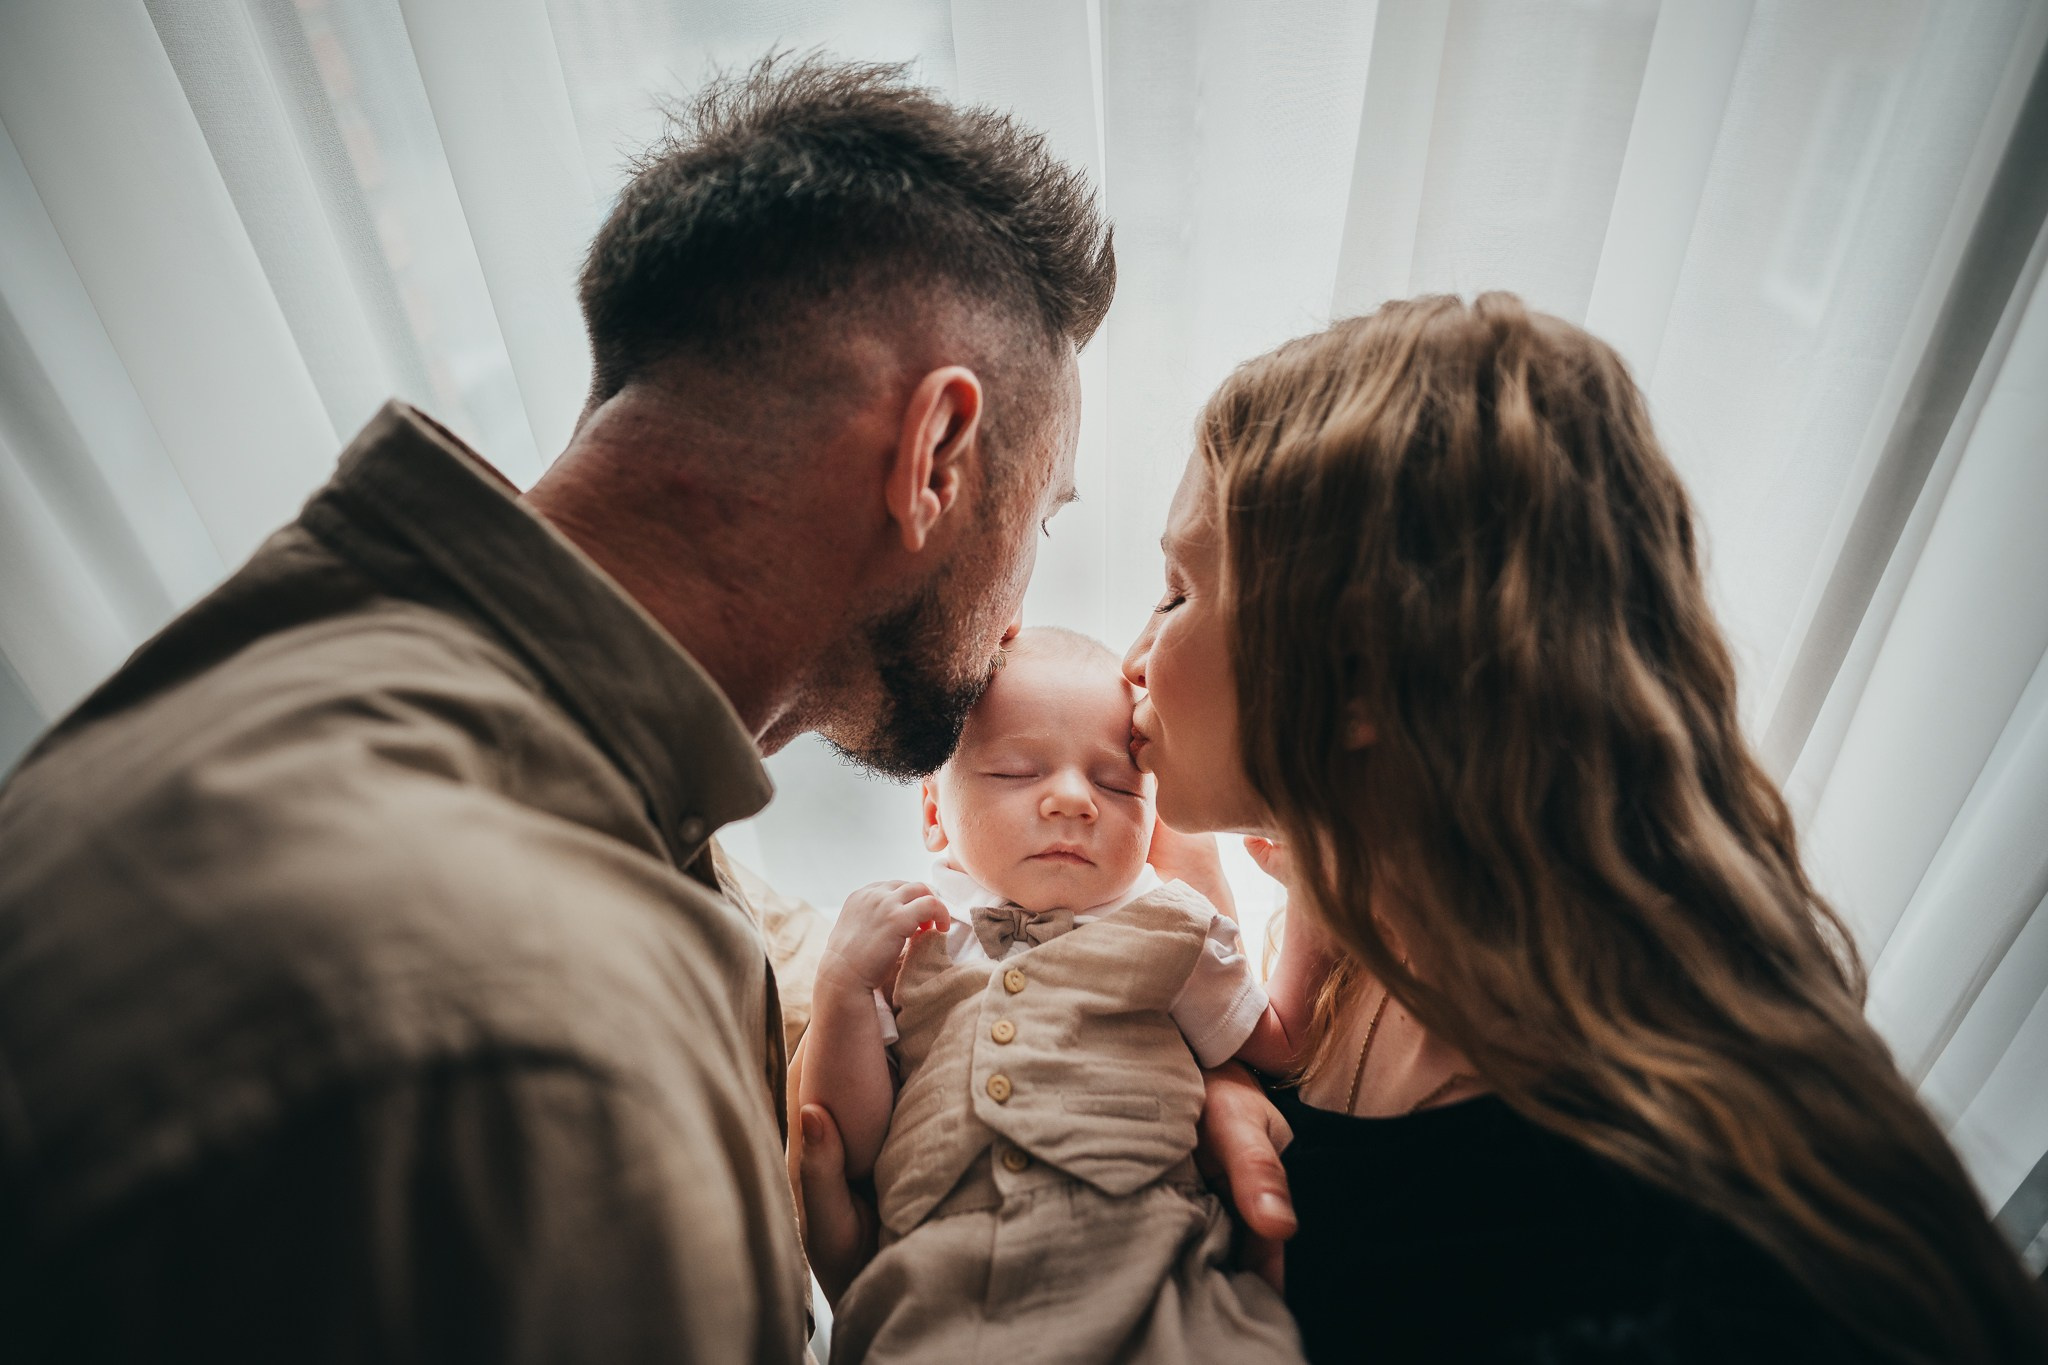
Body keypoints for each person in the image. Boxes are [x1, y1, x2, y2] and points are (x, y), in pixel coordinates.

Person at [0, 56, 1127, 1363]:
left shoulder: (352, 666)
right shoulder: (563, 1058)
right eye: (1038, 519)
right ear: (935, 456)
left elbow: (745, 928)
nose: (1020, 610)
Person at [1118, 292, 2048, 1363]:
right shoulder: (1358, 942)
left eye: (1177, 589)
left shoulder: (1681, 1271)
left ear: (1356, 676)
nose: (1135, 654)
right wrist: (1218, 1089)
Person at [801, 627, 1313, 1362]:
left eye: (1117, 783)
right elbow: (854, 1138)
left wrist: (1314, 892)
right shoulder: (914, 941)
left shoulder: (1175, 927)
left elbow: (1279, 1039)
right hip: (940, 1288)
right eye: (1016, 771)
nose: (1074, 800)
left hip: (1151, 1271)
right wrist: (843, 989)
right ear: (934, 815)